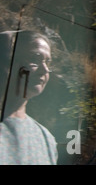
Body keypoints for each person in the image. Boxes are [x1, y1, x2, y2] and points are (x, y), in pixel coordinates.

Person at [0, 30, 58, 165]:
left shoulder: (46, 138)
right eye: (34, 59)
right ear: (7, 64)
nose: (44, 70)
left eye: (47, 62)